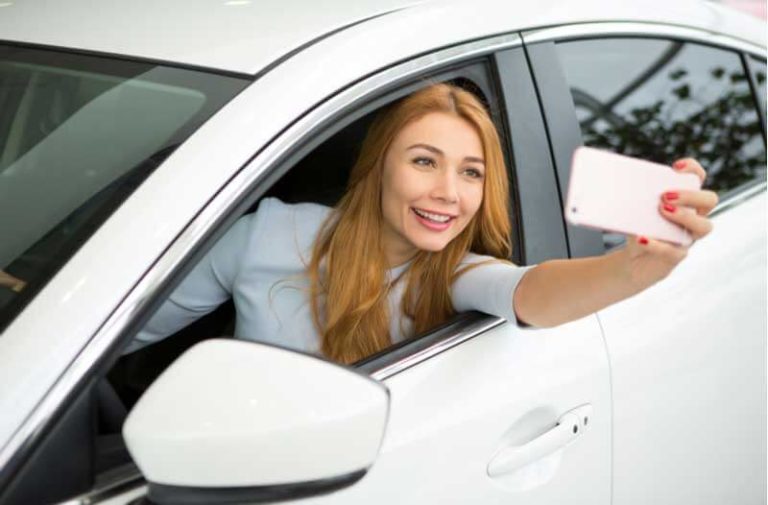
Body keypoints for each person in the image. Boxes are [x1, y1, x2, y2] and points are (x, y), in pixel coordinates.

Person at [127, 83, 718, 364]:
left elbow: (530, 292)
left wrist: (632, 268)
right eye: (424, 162)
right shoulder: (265, 235)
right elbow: (125, 333)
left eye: (470, 173)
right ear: (378, 166)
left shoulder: (453, 273)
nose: (447, 194)